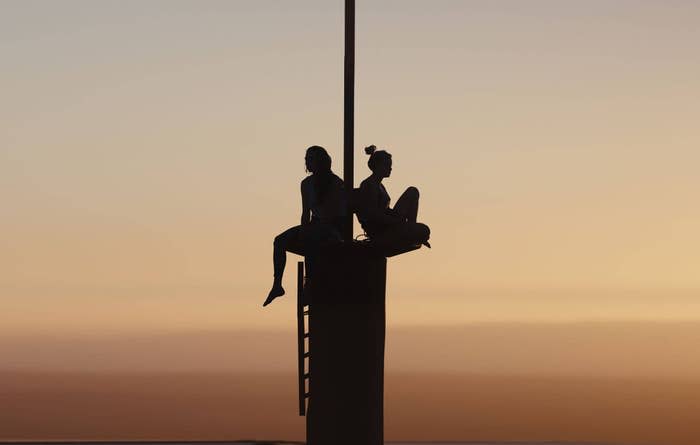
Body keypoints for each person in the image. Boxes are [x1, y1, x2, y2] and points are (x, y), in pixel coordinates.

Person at [263, 146, 345, 307]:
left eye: (311, 158)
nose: (307, 162)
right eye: (306, 158)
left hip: (333, 228)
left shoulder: (336, 183)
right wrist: (304, 229)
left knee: (312, 241)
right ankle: (277, 284)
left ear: (321, 161)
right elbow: (305, 212)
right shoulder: (306, 184)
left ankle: (310, 284)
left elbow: (340, 213)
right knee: (279, 241)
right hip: (315, 225)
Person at [356, 145, 430, 254]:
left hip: (388, 222)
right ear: (378, 166)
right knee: (423, 230)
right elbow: (372, 214)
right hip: (380, 229)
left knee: (413, 192)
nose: (390, 168)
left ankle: (411, 225)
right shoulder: (368, 185)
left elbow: (384, 210)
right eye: (387, 165)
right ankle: (410, 227)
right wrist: (396, 222)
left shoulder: (380, 186)